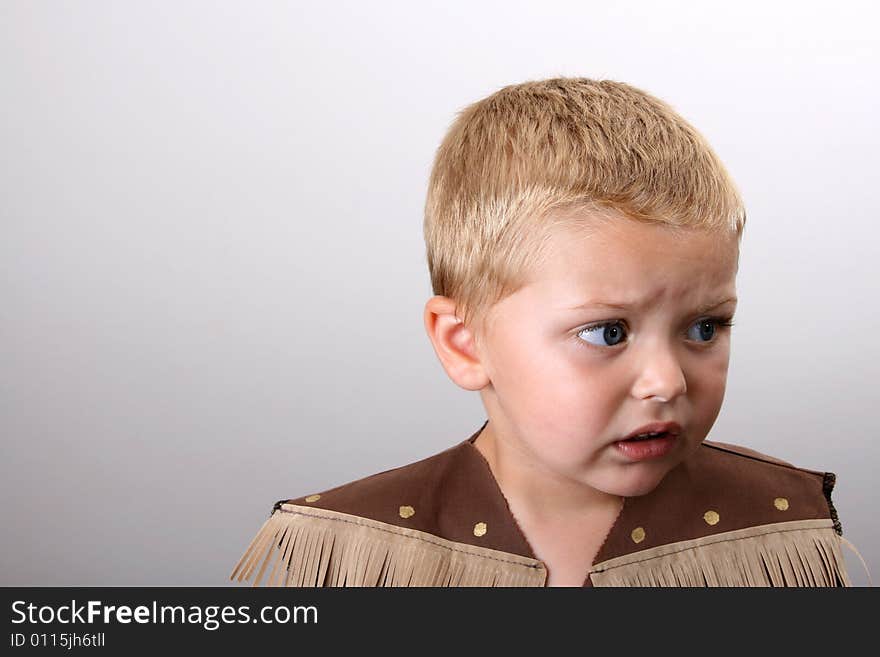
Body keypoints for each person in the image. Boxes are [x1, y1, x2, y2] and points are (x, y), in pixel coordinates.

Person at [231, 77, 853, 587]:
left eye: (704, 326)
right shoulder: (359, 548)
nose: (667, 381)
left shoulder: (779, 527)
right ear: (463, 342)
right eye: (608, 333)